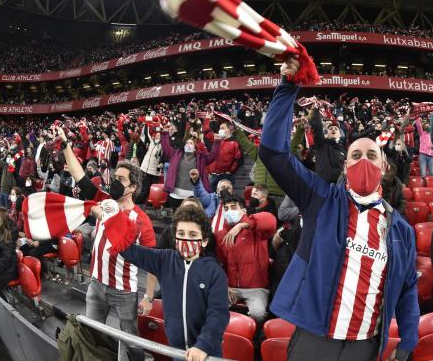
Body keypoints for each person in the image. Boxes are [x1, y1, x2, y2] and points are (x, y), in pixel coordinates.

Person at [259, 58, 419, 361]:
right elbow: (273, 151)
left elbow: (409, 286)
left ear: (384, 165)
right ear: (345, 165)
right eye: (355, 154)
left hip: (365, 346)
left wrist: (408, 339)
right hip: (314, 341)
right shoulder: (320, 198)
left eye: (371, 155)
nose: (362, 160)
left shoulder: (401, 230)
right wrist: (287, 86)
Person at [57, 126, 156, 361]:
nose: (115, 182)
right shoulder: (104, 200)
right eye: (115, 176)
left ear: (132, 187)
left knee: (130, 342)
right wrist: (65, 145)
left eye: (121, 179)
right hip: (97, 284)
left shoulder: (142, 221)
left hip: (124, 291)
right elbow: (78, 173)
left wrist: (148, 297)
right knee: (91, 334)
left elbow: (153, 263)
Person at [120, 204, 229, 361]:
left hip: (206, 353)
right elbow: (130, 251)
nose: (186, 239)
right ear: (174, 237)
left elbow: (218, 314)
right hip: (177, 352)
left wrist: (202, 345)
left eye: (192, 235)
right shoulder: (165, 260)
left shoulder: (214, 272)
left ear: (204, 241)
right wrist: (111, 221)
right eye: (181, 233)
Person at [216, 195, 276, 323]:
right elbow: (219, 264)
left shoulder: (257, 230)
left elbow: (271, 220)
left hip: (256, 288)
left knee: (257, 314)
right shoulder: (221, 235)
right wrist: (224, 286)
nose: (229, 211)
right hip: (231, 288)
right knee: (214, 308)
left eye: (233, 207)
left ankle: (254, 339)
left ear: (243, 211)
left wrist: (242, 225)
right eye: (226, 208)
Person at [161, 126, 221, 209]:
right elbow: (166, 148)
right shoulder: (176, 154)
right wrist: (164, 134)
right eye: (187, 143)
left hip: (193, 196)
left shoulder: (201, 158)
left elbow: (213, 155)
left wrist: (217, 141)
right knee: (177, 219)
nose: (188, 144)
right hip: (175, 195)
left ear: (195, 148)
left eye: (191, 143)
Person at [191, 169, 234, 234]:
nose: (225, 189)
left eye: (228, 188)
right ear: (217, 190)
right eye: (223, 187)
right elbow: (201, 193)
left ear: (232, 191)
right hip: (209, 232)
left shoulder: (237, 203)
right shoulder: (211, 198)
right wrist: (196, 182)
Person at [310, 108, 346, 184]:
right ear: (327, 132)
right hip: (322, 186)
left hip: (338, 188)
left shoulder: (344, 151)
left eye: (336, 129)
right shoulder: (322, 144)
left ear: (340, 134)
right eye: (330, 129)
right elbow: (318, 128)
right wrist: (316, 111)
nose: (333, 130)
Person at [206, 122, 242, 192]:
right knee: (211, 196)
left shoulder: (235, 143)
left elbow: (238, 159)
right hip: (213, 174)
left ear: (229, 129)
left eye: (222, 128)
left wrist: (231, 171)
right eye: (220, 128)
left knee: (226, 197)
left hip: (226, 176)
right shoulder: (215, 140)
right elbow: (206, 133)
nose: (220, 130)